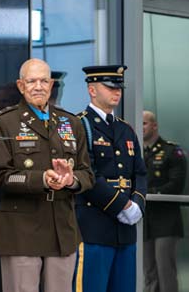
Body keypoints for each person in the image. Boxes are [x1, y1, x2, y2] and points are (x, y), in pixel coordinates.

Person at [0, 58, 94, 292]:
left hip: (62, 230)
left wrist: (71, 180)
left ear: (51, 84)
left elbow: (87, 173)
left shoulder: (71, 122)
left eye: (44, 81)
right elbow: (1, 176)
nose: (38, 86)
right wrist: (42, 179)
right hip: (22, 231)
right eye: (32, 81)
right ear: (20, 85)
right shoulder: (3, 122)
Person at [73, 65, 147, 292]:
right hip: (94, 227)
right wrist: (121, 204)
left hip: (125, 231)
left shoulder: (125, 129)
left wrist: (137, 205)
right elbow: (87, 174)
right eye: (109, 87)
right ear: (92, 90)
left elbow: (139, 172)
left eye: (119, 88)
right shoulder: (79, 125)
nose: (117, 92)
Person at [142, 110, 186, 292]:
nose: (141, 127)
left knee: (165, 270)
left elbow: (176, 185)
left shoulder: (171, 151)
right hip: (145, 220)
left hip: (166, 220)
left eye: (144, 123)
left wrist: (149, 193)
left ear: (154, 125)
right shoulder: (137, 151)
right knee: (148, 272)